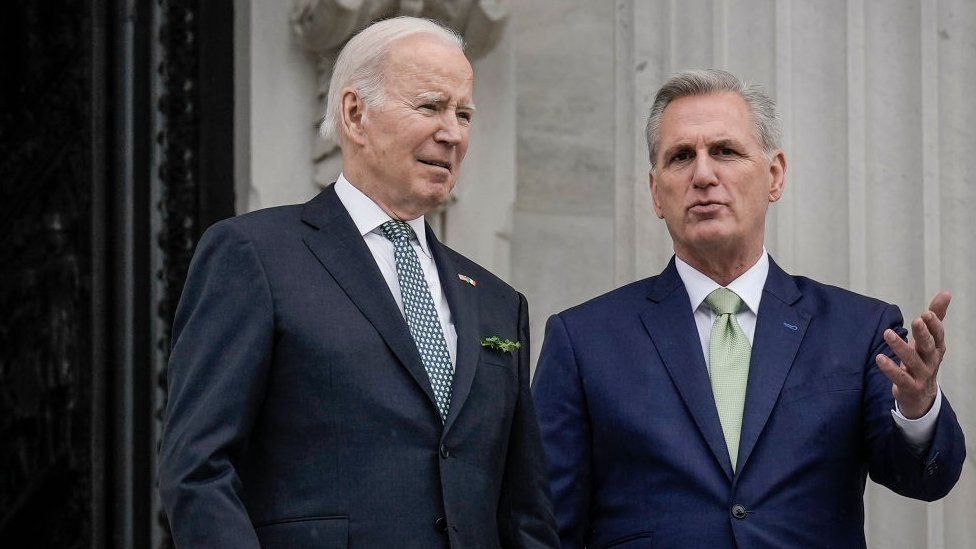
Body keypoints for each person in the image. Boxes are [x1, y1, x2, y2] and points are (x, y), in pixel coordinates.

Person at [158, 17, 557, 548]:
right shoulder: (255, 254)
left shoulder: (498, 304)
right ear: (355, 114)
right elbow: (198, 469)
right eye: (430, 106)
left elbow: (523, 511)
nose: (453, 133)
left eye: (463, 114)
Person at [532, 69, 965, 548]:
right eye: (680, 157)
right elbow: (547, 523)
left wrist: (917, 408)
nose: (702, 175)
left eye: (725, 151)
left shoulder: (859, 329)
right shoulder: (583, 340)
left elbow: (924, 480)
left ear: (774, 175)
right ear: (656, 193)